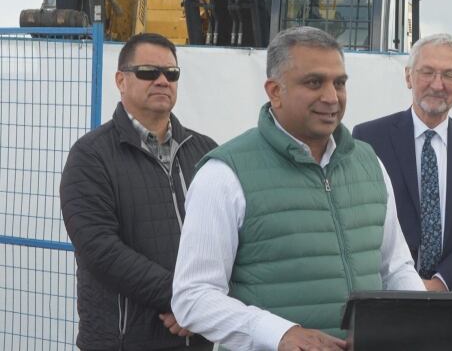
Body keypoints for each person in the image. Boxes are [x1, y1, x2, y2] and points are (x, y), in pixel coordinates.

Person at [171, 26, 425, 351]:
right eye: (314, 82)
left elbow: (395, 267)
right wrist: (279, 334)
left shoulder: (368, 162)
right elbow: (193, 297)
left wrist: (421, 321)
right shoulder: (223, 174)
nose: (332, 97)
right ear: (275, 91)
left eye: (339, 83)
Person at [60, 33, 217, 350]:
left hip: (197, 336)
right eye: (148, 72)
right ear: (121, 80)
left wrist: (206, 301)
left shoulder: (205, 151)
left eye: (171, 74)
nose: (162, 80)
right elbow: (99, 248)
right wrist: (182, 299)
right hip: (123, 341)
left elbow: (228, 239)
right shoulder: (91, 156)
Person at [352, 33, 452, 292]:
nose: (437, 85)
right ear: (408, 76)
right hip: (387, 300)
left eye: (450, 75)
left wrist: (440, 283)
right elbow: (359, 222)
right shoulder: (369, 140)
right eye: (427, 72)